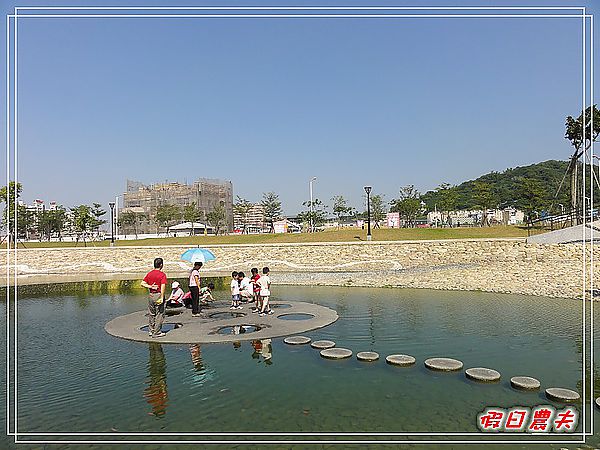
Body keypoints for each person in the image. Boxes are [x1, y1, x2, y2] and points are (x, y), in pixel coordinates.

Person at [141, 257, 167, 338]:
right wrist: (162, 297)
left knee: (152, 313)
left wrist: (150, 286)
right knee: (160, 314)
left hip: (151, 295)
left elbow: (142, 283)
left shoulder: (150, 273)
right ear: (161, 265)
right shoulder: (162, 275)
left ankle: (151, 330)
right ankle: (157, 332)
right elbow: (163, 286)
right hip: (158, 294)